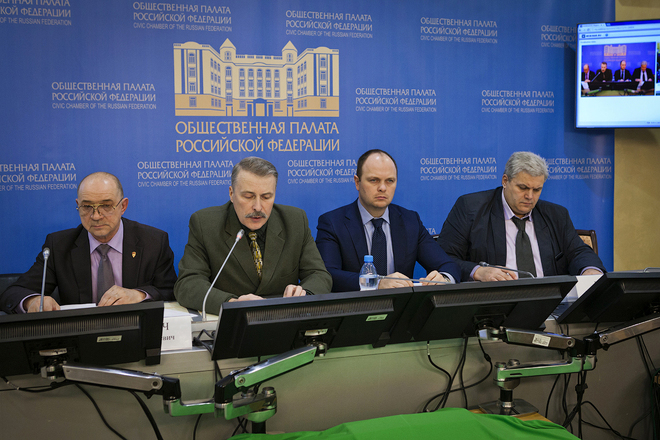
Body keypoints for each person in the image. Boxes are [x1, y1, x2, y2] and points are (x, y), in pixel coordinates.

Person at [0, 172, 177, 313]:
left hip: (136, 334)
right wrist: (32, 301)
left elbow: (171, 291)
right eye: (87, 207)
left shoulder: (153, 241)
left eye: (106, 206)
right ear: (78, 205)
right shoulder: (59, 245)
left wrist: (139, 295)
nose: (96, 216)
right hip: (80, 336)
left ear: (123, 206)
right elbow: (13, 293)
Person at [174, 157, 332, 313]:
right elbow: (188, 284)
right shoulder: (205, 224)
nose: (258, 207)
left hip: (283, 318)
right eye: (248, 197)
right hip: (233, 321)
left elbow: (319, 274)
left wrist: (304, 294)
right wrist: (232, 304)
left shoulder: (295, 221)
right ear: (231, 193)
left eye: (266, 197)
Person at [437, 152, 605, 282]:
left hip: (550, 303)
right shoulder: (470, 208)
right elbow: (444, 258)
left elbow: (578, 252)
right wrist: (478, 272)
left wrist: (590, 270)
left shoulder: (556, 215)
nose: (529, 196)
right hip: (494, 304)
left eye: (536, 190)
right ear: (505, 181)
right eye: (523, 188)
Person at [316, 149, 461, 292]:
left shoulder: (410, 221)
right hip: (355, 306)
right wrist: (377, 283)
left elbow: (448, 265)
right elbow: (328, 275)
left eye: (390, 181)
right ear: (357, 182)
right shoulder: (333, 223)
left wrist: (444, 279)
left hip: (401, 306)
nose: (382, 188)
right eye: (374, 180)